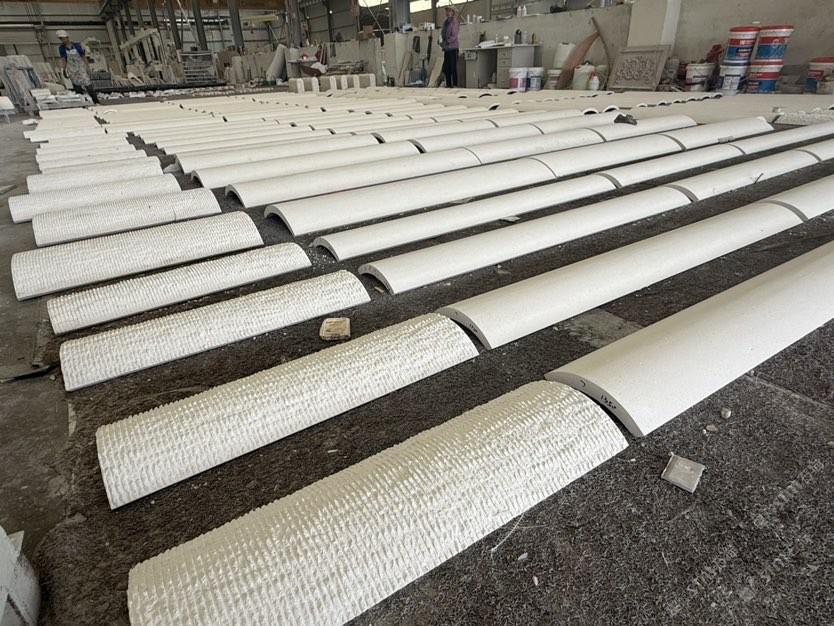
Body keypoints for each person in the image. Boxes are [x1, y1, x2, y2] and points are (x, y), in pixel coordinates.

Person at [56, 30, 99, 104]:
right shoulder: (61, 48)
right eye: (61, 39)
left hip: (80, 68)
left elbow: (83, 57)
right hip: (72, 69)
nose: (63, 40)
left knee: (88, 85)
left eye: (64, 38)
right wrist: (64, 70)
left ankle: (96, 102)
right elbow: (64, 59)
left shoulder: (76, 46)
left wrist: (87, 67)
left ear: (67, 37)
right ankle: (82, 103)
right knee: (77, 87)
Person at [440, 7, 459, 88]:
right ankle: (448, 84)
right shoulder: (445, 23)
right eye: (447, 11)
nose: (448, 13)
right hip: (446, 48)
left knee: (452, 67)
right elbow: (442, 33)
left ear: (453, 12)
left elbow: (454, 36)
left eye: (450, 11)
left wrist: (446, 41)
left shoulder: (454, 23)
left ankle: (455, 84)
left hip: (453, 48)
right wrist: (440, 40)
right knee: (446, 68)